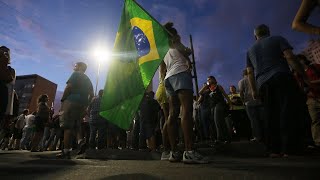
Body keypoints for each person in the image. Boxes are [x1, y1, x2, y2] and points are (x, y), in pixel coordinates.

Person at [246, 24, 307, 157]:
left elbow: (250, 72)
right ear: (268, 32)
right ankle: (290, 149)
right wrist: (303, 75)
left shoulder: (250, 50)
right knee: (288, 110)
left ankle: (274, 149)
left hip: (262, 83)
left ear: (255, 35)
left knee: (270, 114)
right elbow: (290, 57)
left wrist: (254, 90)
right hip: (281, 76)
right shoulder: (278, 39)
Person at [161, 22, 208, 164]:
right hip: (180, 73)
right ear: (174, 35)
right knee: (186, 111)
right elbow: (188, 51)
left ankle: (174, 152)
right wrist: (180, 41)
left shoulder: (163, 49)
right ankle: (189, 151)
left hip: (169, 78)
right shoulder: (176, 43)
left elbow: (163, 69)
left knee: (172, 113)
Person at [58, 62, 94, 159]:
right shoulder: (88, 79)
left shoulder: (76, 74)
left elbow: (69, 87)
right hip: (82, 103)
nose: (75, 66)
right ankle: (80, 141)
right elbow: (92, 94)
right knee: (77, 123)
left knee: (67, 126)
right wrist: (87, 105)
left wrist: (63, 100)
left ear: (81, 67)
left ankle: (66, 151)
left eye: (76, 65)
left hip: (71, 101)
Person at [199, 76, 232, 144]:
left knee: (217, 121)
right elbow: (200, 93)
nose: (208, 81)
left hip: (220, 104)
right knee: (219, 122)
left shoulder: (218, 87)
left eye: (210, 79)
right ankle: (226, 138)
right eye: (207, 80)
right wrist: (206, 86)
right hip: (213, 107)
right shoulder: (208, 89)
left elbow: (225, 95)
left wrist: (230, 104)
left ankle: (220, 138)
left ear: (213, 79)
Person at [297, 54, 320, 148]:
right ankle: (318, 142)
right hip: (311, 99)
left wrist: (310, 83)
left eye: (299, 60)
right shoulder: (298, 74)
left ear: (303, 60)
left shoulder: (315, 67)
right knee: (315, 121)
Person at [238, 70, 264, 142]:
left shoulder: (241, 81)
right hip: (259, 101)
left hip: (249, 102)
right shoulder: (256, 79)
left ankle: (257, 137)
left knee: (254, 120)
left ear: (243, 74)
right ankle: (266, 134)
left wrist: (243, 101)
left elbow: (241, 92)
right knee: (262, 119)